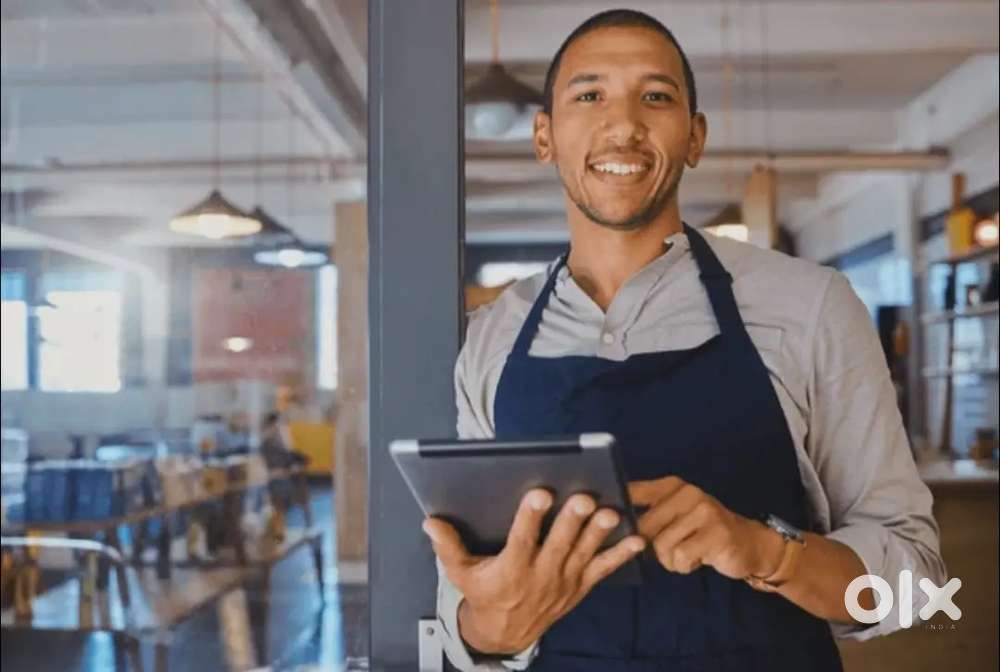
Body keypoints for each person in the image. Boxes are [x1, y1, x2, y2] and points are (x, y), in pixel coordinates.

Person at [422, 9, 946, 672]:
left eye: (656, 97)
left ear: (694, 137)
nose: (623, 125)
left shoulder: (812, 306)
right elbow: (466, 615)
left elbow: (919, 592)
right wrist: (490, 631)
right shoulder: (490, 337)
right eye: (589, 95)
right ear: (544, 137)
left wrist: (766, 551)